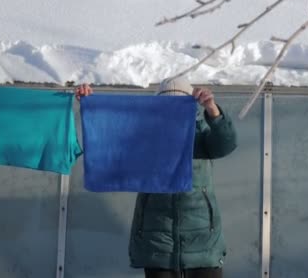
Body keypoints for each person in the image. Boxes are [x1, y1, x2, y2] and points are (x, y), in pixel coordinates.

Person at [75, 77, 237, 278]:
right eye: (167, 103)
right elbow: (112, 139)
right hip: (156, 241)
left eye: (180, 103)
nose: (173, 110)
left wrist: (212, 108)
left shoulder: (200, 132)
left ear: (191, 106)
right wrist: (92, 105)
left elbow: (225, 144)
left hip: (203, 241)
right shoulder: (143, 134)